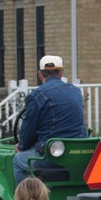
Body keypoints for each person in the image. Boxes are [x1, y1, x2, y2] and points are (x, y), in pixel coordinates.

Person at [13, 55, 88, 185]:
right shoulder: (76, 92)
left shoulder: (37, 95)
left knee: (18, 160)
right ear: (61, 74)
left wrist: (21, 146)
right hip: (77, 154)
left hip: (52, 158)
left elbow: (28, 130)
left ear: (40, 75)